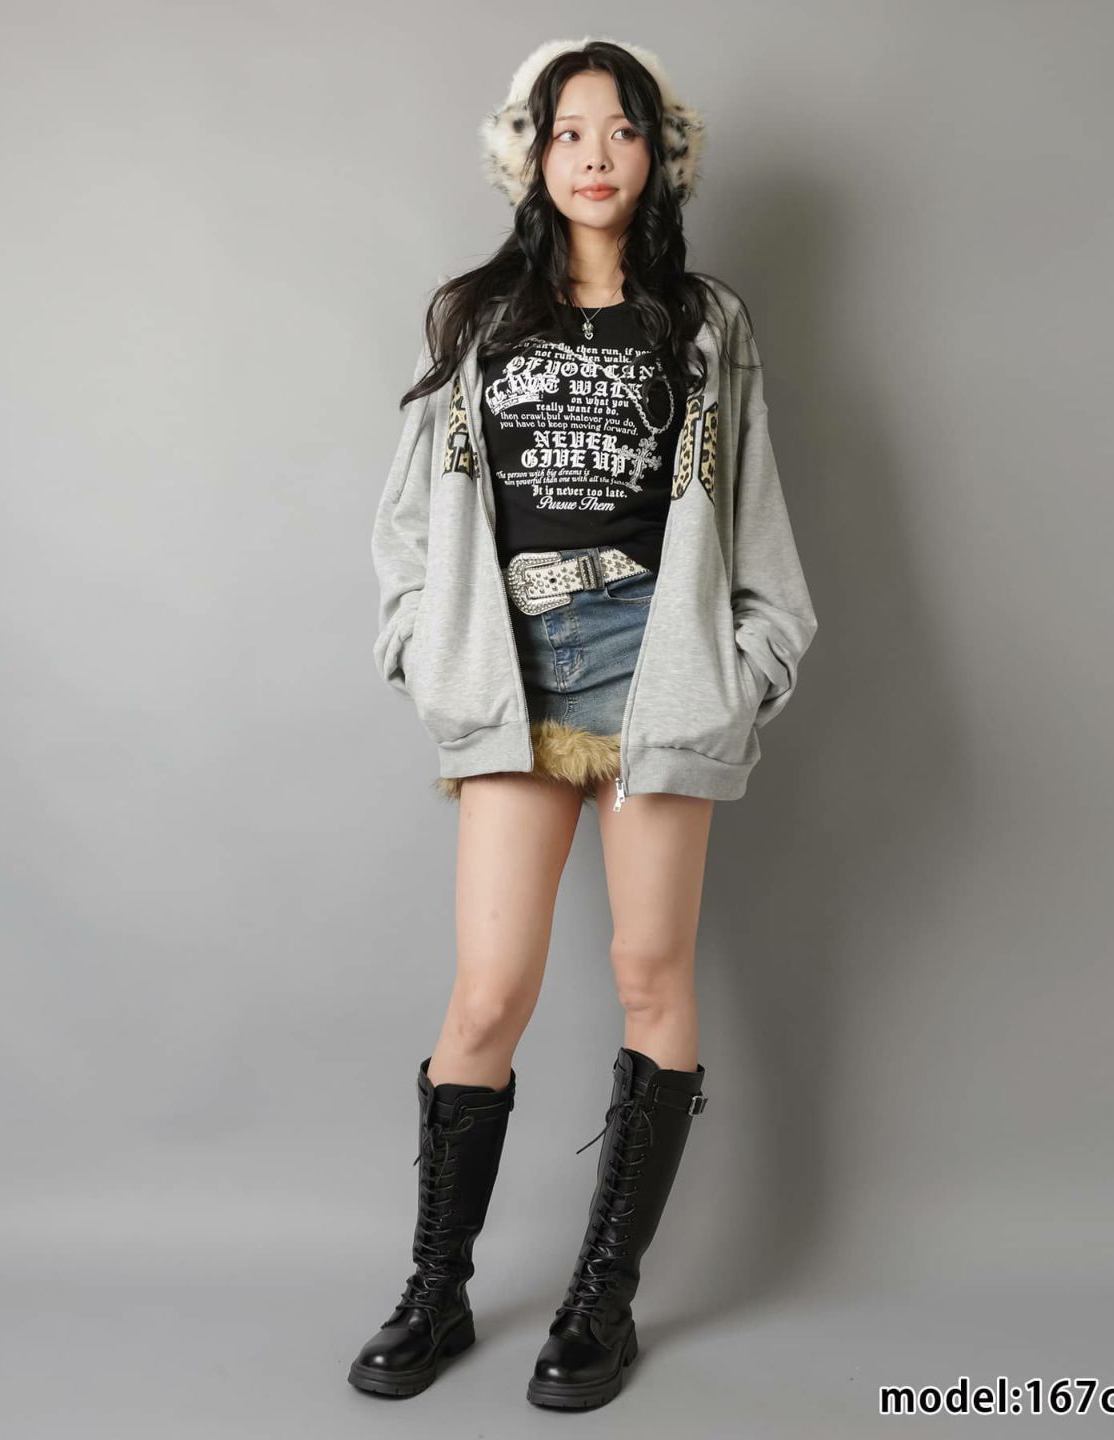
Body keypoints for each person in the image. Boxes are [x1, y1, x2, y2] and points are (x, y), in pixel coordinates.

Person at [348, 36, 818, 1411]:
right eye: (568, 132)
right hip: (514, 667)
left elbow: (757, 517)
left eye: (621, 130)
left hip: (651, 663)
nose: (595, 155)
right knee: (487, 994)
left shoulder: (706, 322)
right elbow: (406, 523)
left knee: (650, 975)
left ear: (658, 155)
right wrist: (421, 651)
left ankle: (601, 1303)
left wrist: (740, 669)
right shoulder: (477, 318)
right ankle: (436, 1291)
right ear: (531, 155)